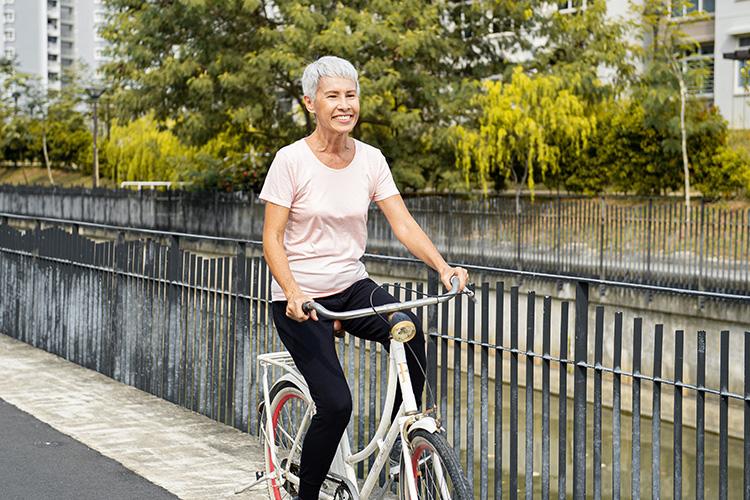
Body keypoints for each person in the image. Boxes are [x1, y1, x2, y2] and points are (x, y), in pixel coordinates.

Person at [260, 55, 468, 500]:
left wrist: (443, 266)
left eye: (350, 95)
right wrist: (293, 293)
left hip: (351, 286)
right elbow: (272, 239)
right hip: (302, 298)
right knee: (336, 405)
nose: (344, 104)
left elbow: (404, 225)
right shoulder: (290, 160)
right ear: (310, 103)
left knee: (409, 329)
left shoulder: (371, 159)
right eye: (332, 95)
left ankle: (403, 441)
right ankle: (307, 496)